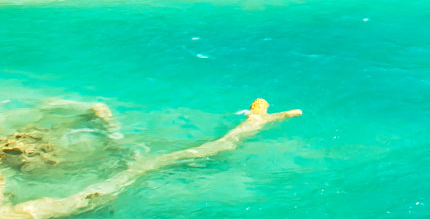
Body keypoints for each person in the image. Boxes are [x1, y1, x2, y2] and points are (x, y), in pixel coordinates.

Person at [0, 99, 301, 219]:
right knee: (145, 166)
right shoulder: (29, 211)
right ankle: (253, 125)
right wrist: (247, 127)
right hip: (66, 204)